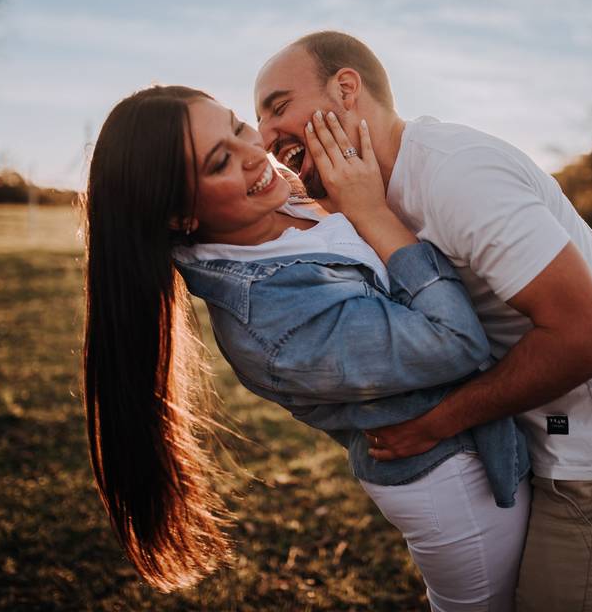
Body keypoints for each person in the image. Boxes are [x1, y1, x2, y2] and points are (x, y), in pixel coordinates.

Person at [255, 31, 592, 612]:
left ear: (347, 89)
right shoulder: (364, 193)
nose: (265, 137)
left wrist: (436, 424)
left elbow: (587, 339)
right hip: (536, 449)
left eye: (278, 108)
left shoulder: (459, 176)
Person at [82, 85, 531, 610]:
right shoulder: (271, 322)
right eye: (222, 160)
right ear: (179, 215)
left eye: (236, 126)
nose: (255, 153)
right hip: (455, 483)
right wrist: (372, 214)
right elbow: (455, 342)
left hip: (493, 441)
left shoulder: (285, 203)